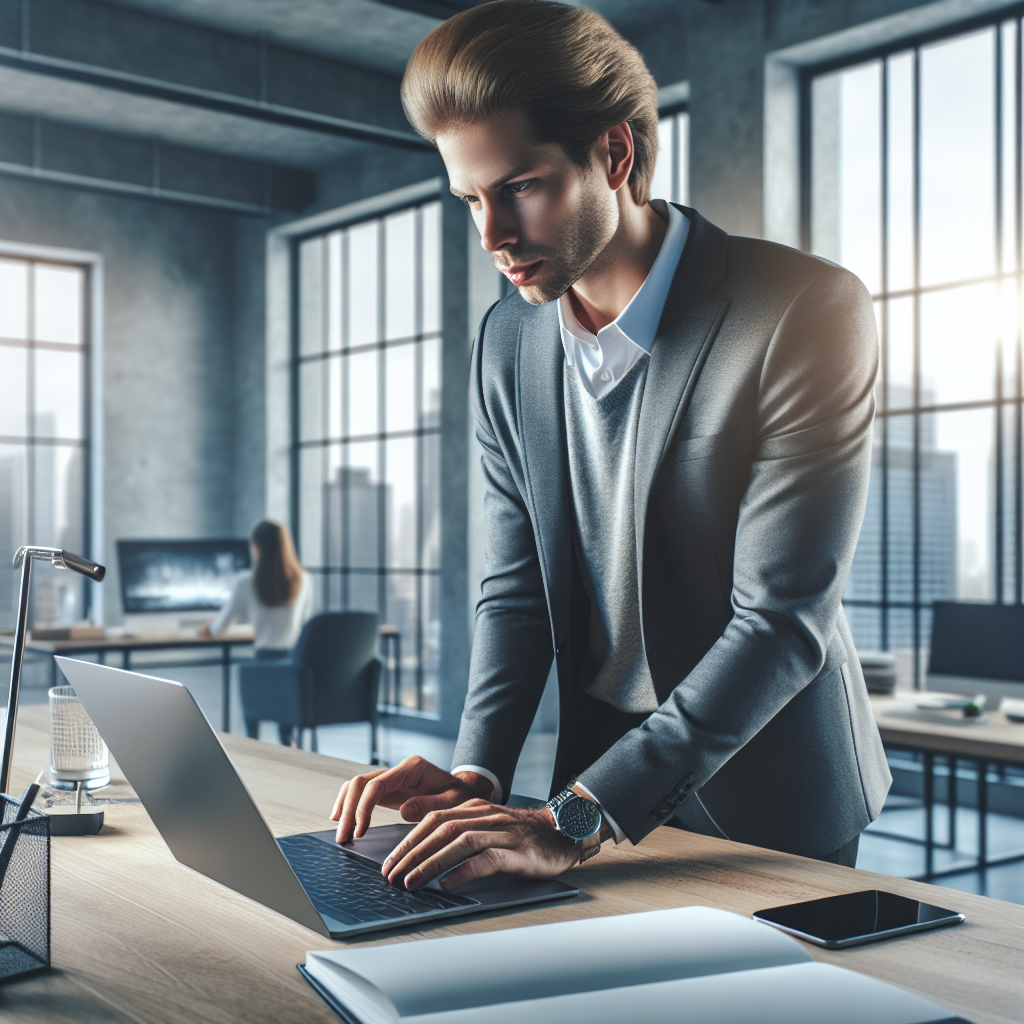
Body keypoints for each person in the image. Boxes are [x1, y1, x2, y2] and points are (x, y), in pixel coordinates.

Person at [331, 0, 891, 893]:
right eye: (471, 199)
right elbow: (514, 593)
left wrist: (577, 819)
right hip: (588, 781)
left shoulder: (801, 310)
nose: (492, 237)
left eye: (519, 187)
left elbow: (781, 624)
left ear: (615, 154)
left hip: (767, 802)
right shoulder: (507, 343)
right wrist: (475, 778)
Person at [201, 519, 312, 744]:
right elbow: (304, 623)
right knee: (286, 731)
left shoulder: (246, 582)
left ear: (257, 547)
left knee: (252, 728)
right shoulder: (304, 580)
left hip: (260, 665)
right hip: (292, 665)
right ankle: (290, 753)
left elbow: (219, 628)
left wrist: (208, 628)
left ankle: (253, 747)